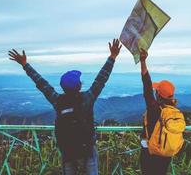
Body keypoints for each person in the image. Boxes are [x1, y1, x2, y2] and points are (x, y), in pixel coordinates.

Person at [8, 39, 122, 175]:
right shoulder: (87, 99)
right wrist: (112, 57)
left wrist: (25, 64)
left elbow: (41, 83)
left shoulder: (58, 101)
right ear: (79, 86)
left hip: (68, 151)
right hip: (87, 150)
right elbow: (101, 79)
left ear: (63, 87)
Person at [139, 48, 184, 175]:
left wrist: (143, 61)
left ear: (158, 95)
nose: (154, 92)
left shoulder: (154, 109)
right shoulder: (174, 111)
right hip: (166, 154)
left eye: (156, 91)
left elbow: (146, 84)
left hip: (150, 153)